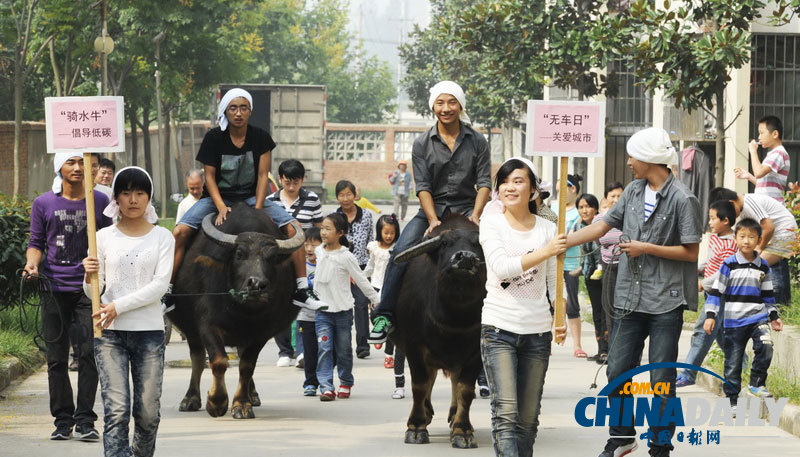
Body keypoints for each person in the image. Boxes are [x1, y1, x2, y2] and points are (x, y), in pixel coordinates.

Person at [566, 127, 702, 457]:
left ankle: (660, 445)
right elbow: (603, 225)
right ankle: (622, 436)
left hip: (666, 301)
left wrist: (646, 247)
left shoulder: (684, 199)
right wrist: (563, 242)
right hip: (628, 297)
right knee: (617, 371)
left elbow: (691, 253)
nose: (628, 162)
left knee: (660, 377)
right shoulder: (631, 192)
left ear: (649, 159)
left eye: (632, 156)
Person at [170, 88, 324, 311]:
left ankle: (301, 289)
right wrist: (221, 206)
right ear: (226, 111)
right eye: (233, 108)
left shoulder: (260, 137)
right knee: (179, 232)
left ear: (250, 111)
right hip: (216, 199)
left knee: (295, 230)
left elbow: (263, 175)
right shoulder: (214, 137)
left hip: (252, 198)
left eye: (243, 108)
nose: (238, 113)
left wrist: (259, 209)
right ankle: (169, 290)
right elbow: (209, 177)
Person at [369, 80, 491, 343]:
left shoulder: (477, 140)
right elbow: (422, 186)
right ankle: (385, 313)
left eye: (451, 102)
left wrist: (478, 215)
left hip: (469, 208)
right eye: (440, 103)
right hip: (431, 208)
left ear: (460, 105)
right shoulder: (422, 143)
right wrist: (433, 219)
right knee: (400, 251)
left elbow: (484, 182)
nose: (446, 108)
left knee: (496, 248)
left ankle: (497, 316)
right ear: (433, 107)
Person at [82, 167, 174, 457]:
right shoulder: (102, 237)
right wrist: (88, 277)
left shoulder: (163, 237)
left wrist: (118, 306)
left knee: (148, 413)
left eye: (139, 193)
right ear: (116, 198)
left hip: (148, 333)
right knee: (116, 411)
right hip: (108, 334)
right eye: (125, 193)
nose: (133, 199)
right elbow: (94, 294)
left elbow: (160, 286)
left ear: (149, 198)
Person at [479, 157, 567, 457]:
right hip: (498, 329)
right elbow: (502, 268)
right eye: (503, 181)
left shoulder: (547, 228)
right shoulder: (491, 223)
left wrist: (561, 317)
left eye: (518, 181)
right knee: (505, 414)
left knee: (528, 421)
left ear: (532, 190)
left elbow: (555, 281)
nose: (509, 187)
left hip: (537, 333)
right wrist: (545, 251)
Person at [24, 152, 113, 441]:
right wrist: (32, 264)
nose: (77, 168)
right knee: (56, 358)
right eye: (70, 162)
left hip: (90, 289)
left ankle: (86, 420)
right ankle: (62, 420)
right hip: (54, 288)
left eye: (82, 163)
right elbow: (36, 242)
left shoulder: (101, 201)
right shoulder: (43, 203)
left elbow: (111, 242)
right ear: (59, 167)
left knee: (89, 354)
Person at [704, 218, 784, 416]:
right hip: (733, 321)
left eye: (751, 237)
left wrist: (773, 316)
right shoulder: (729, 264)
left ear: (758, 239)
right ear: (736, 239)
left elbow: (767, 294)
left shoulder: (763, 266)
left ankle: (757, 383)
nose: (746, 241)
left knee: (766, 346)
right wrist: (711, 315)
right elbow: (716, 291)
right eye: (742, 237)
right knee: (733, 362)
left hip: (758, 317)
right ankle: (732, 400)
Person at [314, 213, 380, 401]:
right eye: (322, 228)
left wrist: (375, 299)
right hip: (322, 312)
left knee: (343, 350)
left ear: (340, 232)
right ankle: (326, 386)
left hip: (342, 312)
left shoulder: (346, 256)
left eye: (328, 229)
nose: (323, 232)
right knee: (324, 348)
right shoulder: (318, 251)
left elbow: (361, 280)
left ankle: (345, 382)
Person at [267, 158, 324, 367]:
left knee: (304, 305)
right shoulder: (270, 201)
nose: (291, 187)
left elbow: (319, 228)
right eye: (287, 182)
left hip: (307, 260)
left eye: (296, 182)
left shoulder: (312, 199)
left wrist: (318, 253)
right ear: (280, 179)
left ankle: (303, 350)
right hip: (279, 261)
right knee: (280, 305)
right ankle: (284, 351)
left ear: (303, 180)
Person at [676, 200, 738, 387]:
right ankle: (743, 369)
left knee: (702, 331)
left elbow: (724, 272)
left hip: (719, 294)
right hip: (711, 293)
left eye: (712, 219)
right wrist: (697, 270)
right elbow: (710, 262)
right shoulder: (715, 238)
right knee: (724, 338)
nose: (709, 222)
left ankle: (688, 374)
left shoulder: (731, 244)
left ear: (725, 220)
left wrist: (703, 283)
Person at [708, 187, 797, 308]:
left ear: (731, 203)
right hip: (777, 235)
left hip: (785, 233)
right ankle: (783, 306)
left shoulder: (749, 203)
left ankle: (776, 307)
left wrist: (760, 247)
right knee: (777, 267)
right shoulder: (743, 208)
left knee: (755, 263)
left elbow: (769, 227)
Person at [364, 214, 404, 396]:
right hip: (375, 285)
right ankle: (378, 333)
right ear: (379, 232)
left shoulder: (397, 248)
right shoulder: (373, 247)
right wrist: (361, 277)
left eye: (392, 233)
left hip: (389, 287)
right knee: (375, 317)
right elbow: (371, 267)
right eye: (386, 232)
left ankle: (389, 354)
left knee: (389, 322)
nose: (389, 236)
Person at [335, 180, 375, 359]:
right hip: (340, 268)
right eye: (341, 195)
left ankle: (362, 345)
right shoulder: (334, 218)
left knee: (360, 304)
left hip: (361, 267)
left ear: (355, 195)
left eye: (349, 194)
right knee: (341, 306)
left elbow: (370, 241)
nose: (345, 198)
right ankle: (341, 344)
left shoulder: (366, 215)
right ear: (337, 197)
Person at [553, 174, 585, 358]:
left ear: (573, 189)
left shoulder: (579, 211)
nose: (559, 195)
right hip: (552, 262)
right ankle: (547, 343)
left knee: (572, 305)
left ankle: (577, 345)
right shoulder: (553, 208)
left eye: (562, 191)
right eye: (557, 192)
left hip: (570, 263)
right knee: (550, 305)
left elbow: (575, 236)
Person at [574, 193, 606, 363]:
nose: (584, 210)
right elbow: (584, 253)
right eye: (581, 207)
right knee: (596, 313)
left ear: (595, 209)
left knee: (606, 313)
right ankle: (600, 348)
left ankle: (607, 351)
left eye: (588, 206)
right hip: (589, 275)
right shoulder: (579, 228)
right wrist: (581, 269)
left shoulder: (602, 225)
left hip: (605, 275)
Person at [734, 115, 790, 203]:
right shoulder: (773, 153)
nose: (759, 137)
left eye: (762, 133)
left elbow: (758, 173)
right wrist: (748, 176)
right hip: (768, 205)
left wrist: (753, 151)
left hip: (772, 206)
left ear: (775, 134)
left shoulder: (779, 152)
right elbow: (765, 186)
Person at [596, 182, 624, 349]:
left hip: (627, 267)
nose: (616, 199)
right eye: (612, 196)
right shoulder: (599, 219)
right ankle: (612, 349)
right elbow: (598, 240)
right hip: (608, 267)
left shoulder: (630, 217)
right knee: (609, 310)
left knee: (626, 312)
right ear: (606, 198)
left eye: (619, 196)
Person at [298, 227, 323, 396]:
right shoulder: (300, 267)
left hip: (327, 316)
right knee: (310, 351)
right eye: (306, 245)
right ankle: (310, 383)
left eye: (313, 245)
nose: (309, 249)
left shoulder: (328, 262)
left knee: (329, 351)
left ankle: (325, 379)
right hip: (306, 317)